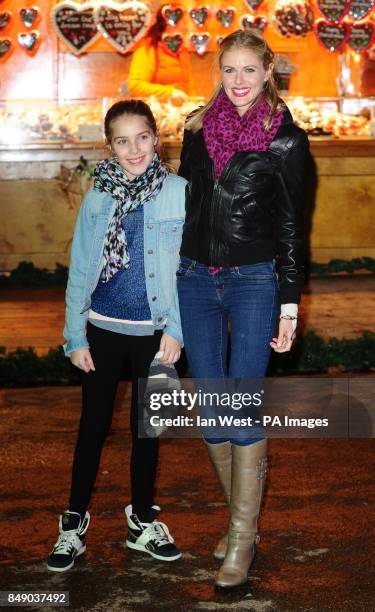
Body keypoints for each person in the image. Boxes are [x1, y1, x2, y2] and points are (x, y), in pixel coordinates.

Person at [177, 30, 309, 589]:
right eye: (228, 70)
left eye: (248, 71)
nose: (237, 82)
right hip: (193, 278)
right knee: (211, 408)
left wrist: (289, 305)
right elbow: (180, 206)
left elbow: (292, 229)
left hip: (255, 280)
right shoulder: (196, 128)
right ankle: (243, 528)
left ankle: (240, 541)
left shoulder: (287, 141)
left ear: (267, 72)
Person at [46, 100, 186, 572]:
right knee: (92, 428)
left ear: (156, 137)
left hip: (156, 336)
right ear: (109, 146)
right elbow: (82, 265)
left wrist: (177, 331)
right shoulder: (98, 196)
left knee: (148, 431)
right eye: (122, 141)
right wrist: (74, 335)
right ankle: (72, 524)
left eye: (142, 137)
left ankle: (142, 523)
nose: (134, 149)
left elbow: (189, 272)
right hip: (103, 331)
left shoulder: (178, 192)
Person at [128, 5, 194, 103]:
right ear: (167, 22)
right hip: (156, 112)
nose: (186, 26)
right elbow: (135, 86)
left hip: (178, 113)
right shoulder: (148, 49)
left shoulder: (183, 51)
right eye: (183, 22)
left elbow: (188, 88)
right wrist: (170, 92)